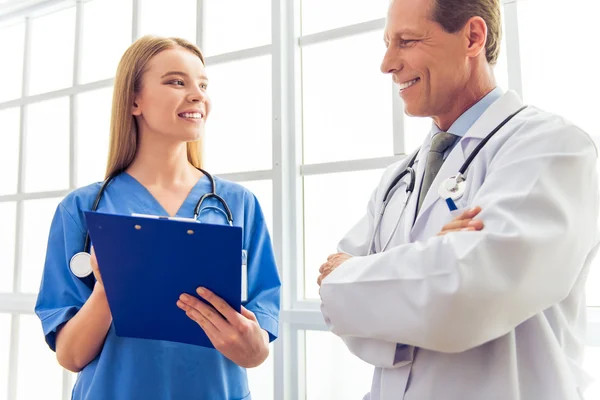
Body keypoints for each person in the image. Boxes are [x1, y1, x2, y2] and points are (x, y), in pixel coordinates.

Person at [317, 0, 598, 399]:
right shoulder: (399, 177)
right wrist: (432, 262)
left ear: (472, 37)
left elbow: (465, 294)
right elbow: (336, 304)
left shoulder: (552, 148)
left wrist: (361, 280)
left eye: (407, 41)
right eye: (387, 43)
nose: (387, 64)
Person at [34, 35, 280, 400]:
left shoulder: (239, 204)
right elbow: (70, 355)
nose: (197, 94)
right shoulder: (81, 209)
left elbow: (257, 350)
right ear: (134, 100)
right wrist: (107, 288)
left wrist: (250, 344)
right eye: (176, 82)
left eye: (202, 84)